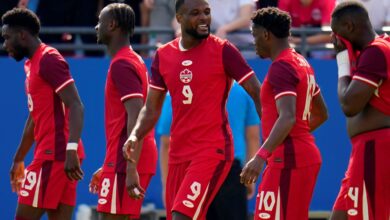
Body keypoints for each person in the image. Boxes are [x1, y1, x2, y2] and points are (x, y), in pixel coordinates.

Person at [122, 0, 263, 219]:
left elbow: (256, 91)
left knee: (182, 216)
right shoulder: (163, 56)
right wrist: (135, 134)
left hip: (212, 151)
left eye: (207, 12)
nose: (204, 18)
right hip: (179, 155)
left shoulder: (223, 50)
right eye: (195, 13)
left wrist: (274, 140)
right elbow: (150, 110)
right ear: (178, 18)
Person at [240, 7, 328, 219]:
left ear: (266, 35)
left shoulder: (282, 67)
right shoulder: (301, 62)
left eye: (254, 35)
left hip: (289, 159)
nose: (254, 42)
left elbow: (287, 117)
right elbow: (322, 113)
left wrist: (261, 156)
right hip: (302, 155)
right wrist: (295, 136)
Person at [2, 8, 85, 220]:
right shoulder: (31, 65)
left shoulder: (49, 59)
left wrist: (70, 149)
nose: (5, 45)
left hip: (55, 156)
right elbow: (34, 117)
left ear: (22, 35)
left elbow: (76, 105)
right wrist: (19, 158)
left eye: (7, 37)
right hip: (58, 154)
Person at [88, 3, 157, 219]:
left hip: (126, 161)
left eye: (100, 22)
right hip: (122, 159)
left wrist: (129, 167)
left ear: (112, 24)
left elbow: (136, 116)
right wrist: (110, 163)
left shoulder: (123, 64)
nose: (96, 27)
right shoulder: (132, 59)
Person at [157, 83, 260, 219]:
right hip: (232, 171)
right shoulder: (243, 90)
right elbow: (252, 136)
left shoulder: (180, 89)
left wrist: (166, 186)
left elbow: (166, 143)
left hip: (193, 171)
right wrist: (250, 179)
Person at [329, 2, 390, 219]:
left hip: (375, 149)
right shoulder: (377, 49)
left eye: (337, 33)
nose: (335, 40)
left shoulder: (375, 51)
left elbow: (349, 105)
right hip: (364, 151)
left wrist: (342, 60)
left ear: (350, 26)